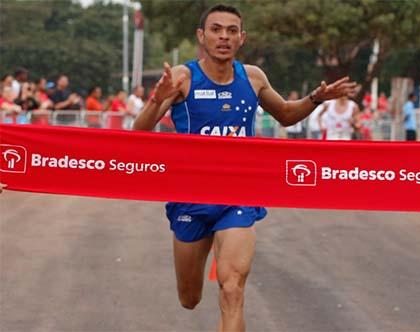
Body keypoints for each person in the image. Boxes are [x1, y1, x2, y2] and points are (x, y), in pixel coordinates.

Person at [132, 4, 356, 332]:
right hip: (190, 198)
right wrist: (156, 100)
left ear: (242, 38)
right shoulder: (183, 77)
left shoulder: (252, 77)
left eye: (232, 31)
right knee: (189, 297)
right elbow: (138, 135)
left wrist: (315, 98)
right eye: (216, 29)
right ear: (201, 36)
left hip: (238, 194)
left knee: (232, 288)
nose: (224, 36)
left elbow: (285, 114)